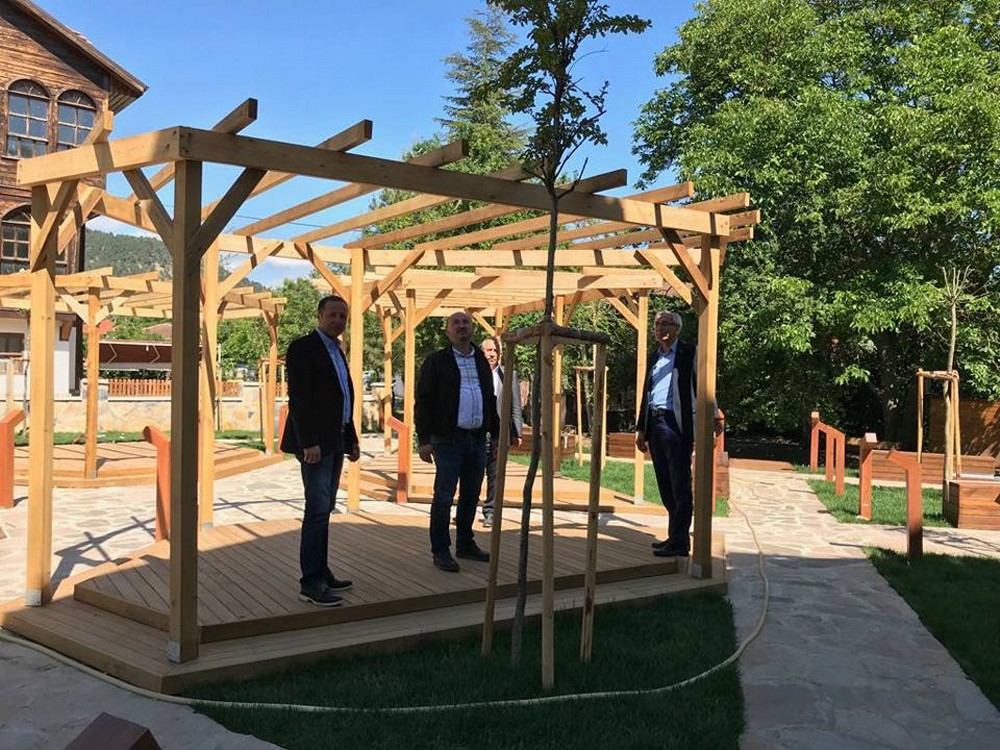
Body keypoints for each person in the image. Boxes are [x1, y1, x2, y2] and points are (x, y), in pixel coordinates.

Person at [280, 295, 361, 606]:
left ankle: (322, 571)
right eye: (332, 315)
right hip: (315, 444)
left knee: (325, 508)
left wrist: (352, 438)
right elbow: (299, 399)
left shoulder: (337, 351)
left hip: (336, 439)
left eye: (343, 316)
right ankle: (310, 583)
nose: (338, 320)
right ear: (319, 316)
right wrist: (308, 442)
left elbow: (343, 398)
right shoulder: (303, 348)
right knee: (316, 510)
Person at [635, 311, 722, 557]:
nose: (660, 328)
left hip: (677, 424)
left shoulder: (689, 352)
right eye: (657, 324)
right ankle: (674, 536)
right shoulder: (654, 357)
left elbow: (704, 385)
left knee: (680, 483)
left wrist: (714, 415)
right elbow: (647, 393)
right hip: (655, 423)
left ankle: (681, 542)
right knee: (664, 484)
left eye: (666, 324)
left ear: (677, 328)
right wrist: (641, 428)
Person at [415, 312, 498, 572]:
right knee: (444, 495)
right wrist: (424, 439)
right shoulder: (437, 361)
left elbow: (490, 398)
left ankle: (465, 543)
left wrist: (495, 434)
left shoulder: (481, 360)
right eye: (456, 323)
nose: (462, 326)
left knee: (471, 494)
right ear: (448, 331)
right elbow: (424, 401)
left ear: (472, 329)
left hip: (477, 439)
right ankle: (441, 550)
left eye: (466, 323)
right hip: (447, 439)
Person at [479, 335, 523, 527]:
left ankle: (491, 512)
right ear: (482, 352)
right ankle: (466, 509)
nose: (492, 354)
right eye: (489, 350)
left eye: (495, 351)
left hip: (500, 432)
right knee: (472, 473)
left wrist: (517, 432)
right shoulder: (474, 373)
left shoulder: (509, 374)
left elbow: (515, 405)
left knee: (495, 474)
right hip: (477, 431)